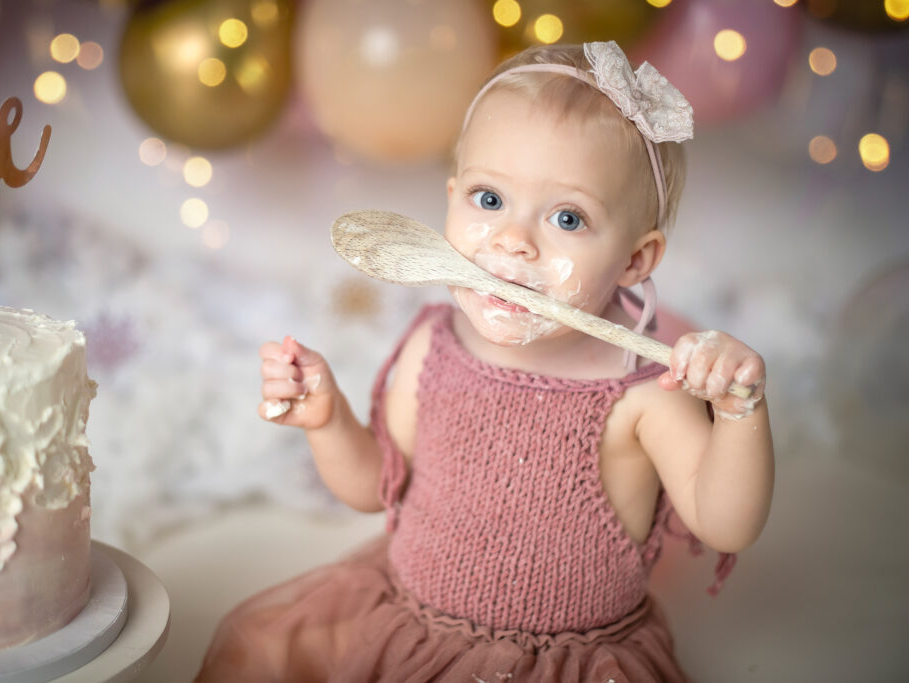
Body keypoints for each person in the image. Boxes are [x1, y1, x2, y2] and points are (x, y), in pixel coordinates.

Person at [196, 40, 774, 683]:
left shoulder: (642, 390)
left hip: (569, 663)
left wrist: (739, 407)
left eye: (567, 216)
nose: (513, 241)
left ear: (636, 260)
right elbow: (372, 488)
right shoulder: (432, 343)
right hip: (416, 633)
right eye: (489, 199)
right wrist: (328, 421)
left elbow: (726, 524)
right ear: (450, 196)